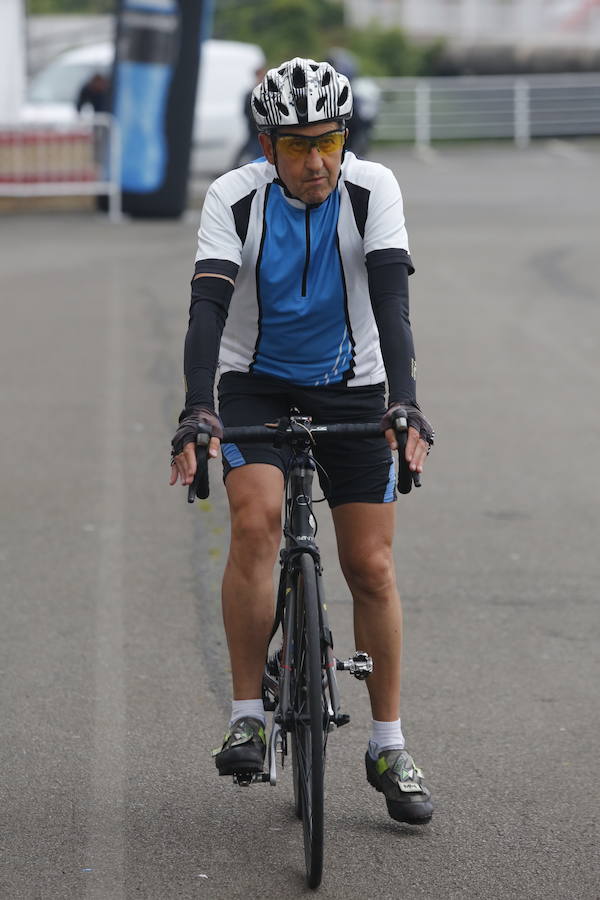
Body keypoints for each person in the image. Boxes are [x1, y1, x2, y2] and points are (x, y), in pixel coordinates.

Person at [170, 58, 435, 825]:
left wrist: (406, 405)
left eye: (328, 141)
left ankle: (388, 741)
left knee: (371, 565)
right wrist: (197, 410)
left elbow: (392, 298)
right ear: (266, 145)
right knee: (255, 523)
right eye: (296, 146)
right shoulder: (235, 198)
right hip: (254, 381)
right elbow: (208, 310)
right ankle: (249, 711)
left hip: (354, 381)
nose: (315, 161)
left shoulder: (371, 188)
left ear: (344, 137)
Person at [234, 66, 266, 167]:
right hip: (254, 133)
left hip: (261, 133)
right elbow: (246, 113)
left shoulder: (266, 94)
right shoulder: (250, 94)